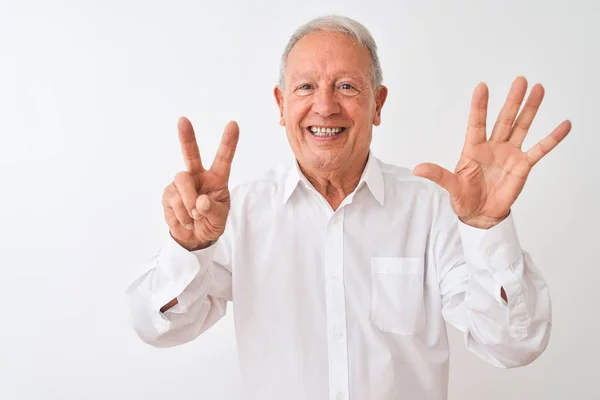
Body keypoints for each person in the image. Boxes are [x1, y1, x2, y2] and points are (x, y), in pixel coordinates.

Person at [125, 15, 571, 400]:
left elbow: (515, 345)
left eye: (346, 86)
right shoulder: (237, 214)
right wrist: (191, 246)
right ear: (282, 105)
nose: (325, 105)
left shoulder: (431, 209)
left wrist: (487, 228)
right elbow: (157, 327)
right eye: (305, 86)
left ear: (377, 104)